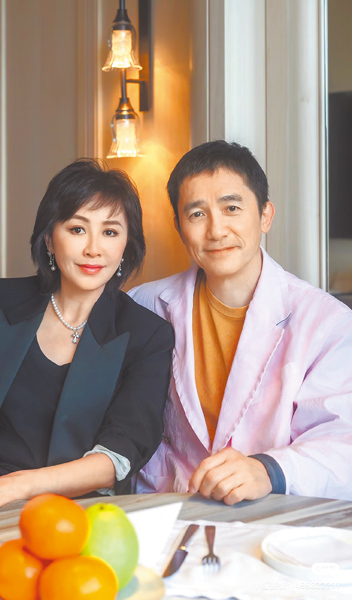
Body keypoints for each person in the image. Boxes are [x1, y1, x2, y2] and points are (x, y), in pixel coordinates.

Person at [129, 140, 352, 504]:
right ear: (179, 227)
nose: (216, 230)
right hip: (167, 509)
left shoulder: (328, 323)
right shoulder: (143, 305)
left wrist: (268, 470)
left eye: (231, 208)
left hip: (272, 515)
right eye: (197, 214)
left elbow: (344, 445)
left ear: (265, 215)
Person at [0, 158, 174, 521]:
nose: (93, 249)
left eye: (110, 232)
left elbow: (119, 455)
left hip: (72, 517)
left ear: (125, 246)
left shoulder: (146, 334)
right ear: (49, 239)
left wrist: (16, 486)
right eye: (77, 229)